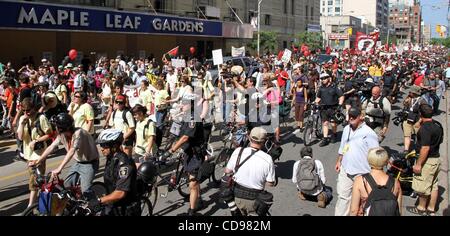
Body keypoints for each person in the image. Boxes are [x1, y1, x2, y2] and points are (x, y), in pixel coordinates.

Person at [29, 113, 99, 194]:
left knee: (86, 191)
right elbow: (51, 147)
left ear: (61, 128)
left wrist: (60, 168)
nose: (55, 128)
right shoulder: (61, 135)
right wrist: (38, 161)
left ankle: (94, 205)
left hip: (90, 163)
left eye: (56, 126)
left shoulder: (79, 133)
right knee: (67, 185)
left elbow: (71, 151)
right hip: (79, 163)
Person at [162, 93, 207, 216]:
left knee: (192, 183)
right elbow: (179, 133)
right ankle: (199, 199)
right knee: (193, 181)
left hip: (195, 155)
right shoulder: (186, 115)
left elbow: (185, 137)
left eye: (184, 103)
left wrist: (171, 151)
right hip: (188, 152)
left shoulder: (193, 118)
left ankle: (191, 211)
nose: (181, 105)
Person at [335, 107, 379, 216]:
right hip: (346, 169)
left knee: (362, 201)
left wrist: (375, 174)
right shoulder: (346, 129)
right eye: (349, 116)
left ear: (361, 117)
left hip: (362, 173)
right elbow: (343, 146)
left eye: (354, 116)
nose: (351, 118)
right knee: (343, 197)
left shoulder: (369, 133)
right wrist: (339, 160)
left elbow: (375, 156)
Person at [225, 127, 275, 216]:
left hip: (237, 197)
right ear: (264, 141)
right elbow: (270, 183)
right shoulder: (268, 159)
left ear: (249, 137)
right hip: (255, 200)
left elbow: (227, 170)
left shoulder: (238, 151)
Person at [88, 129, 140, 216]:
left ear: (114, 146)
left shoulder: (125, 164)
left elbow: (120, 192)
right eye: (101, 145)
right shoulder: (111, 158)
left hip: (126, 209)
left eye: (104, 145)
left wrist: (99, 201)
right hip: (113, 204)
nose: (101, 149)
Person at [407, 104, 443, 216]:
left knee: (423, 188)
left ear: (420, 114)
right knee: (434, 185)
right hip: (436, 159)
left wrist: (418, 164)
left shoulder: (425, 129)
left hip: (427, 161)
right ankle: (431, 209)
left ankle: (421, 208)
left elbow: (425, 148)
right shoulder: (437, 125)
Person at [17, 98, 53, 208]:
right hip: (29, 155)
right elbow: (20, 137)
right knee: (37, 181)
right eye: (23, 111)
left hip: (39, 154)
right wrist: (22, 124)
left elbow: (50, 134)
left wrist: (37, 140)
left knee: (34, 181)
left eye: (28, 110)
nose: (26, 113)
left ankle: (31, 206)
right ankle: (43, 202)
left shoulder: (41, 118)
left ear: (34, 108)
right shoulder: (23, 119)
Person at [350, 147, 402, 216]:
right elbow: (399, 210)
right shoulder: (395, 183)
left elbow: (354, 210)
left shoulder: (360, 181)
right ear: (386, 161)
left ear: (369, 160)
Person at [315, 73, 344, 147]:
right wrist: (315, 103)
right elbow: (318, 98)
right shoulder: (321, 88)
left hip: (333, 108)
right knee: (325, 123)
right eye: (321, 79)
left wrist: (340, 105)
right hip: (324, 108)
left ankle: (334, 134)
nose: (323, 80)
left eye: (324, 78)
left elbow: (341, 96)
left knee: (333, 124)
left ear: (328, 78)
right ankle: (325, 139)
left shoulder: (334, 87)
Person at [401, 85, 427, 153]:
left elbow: (425, 113)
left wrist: (419, 121)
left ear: (414, 92)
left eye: (411, 92)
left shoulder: (422, 101)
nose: (409, 92)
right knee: (407, 135)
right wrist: (406, 101)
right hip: (408, 119)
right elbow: (405, 106)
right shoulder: (409, 98)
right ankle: (406, 150)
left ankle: (418, 149)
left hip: (417, 120)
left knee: (418, 136)